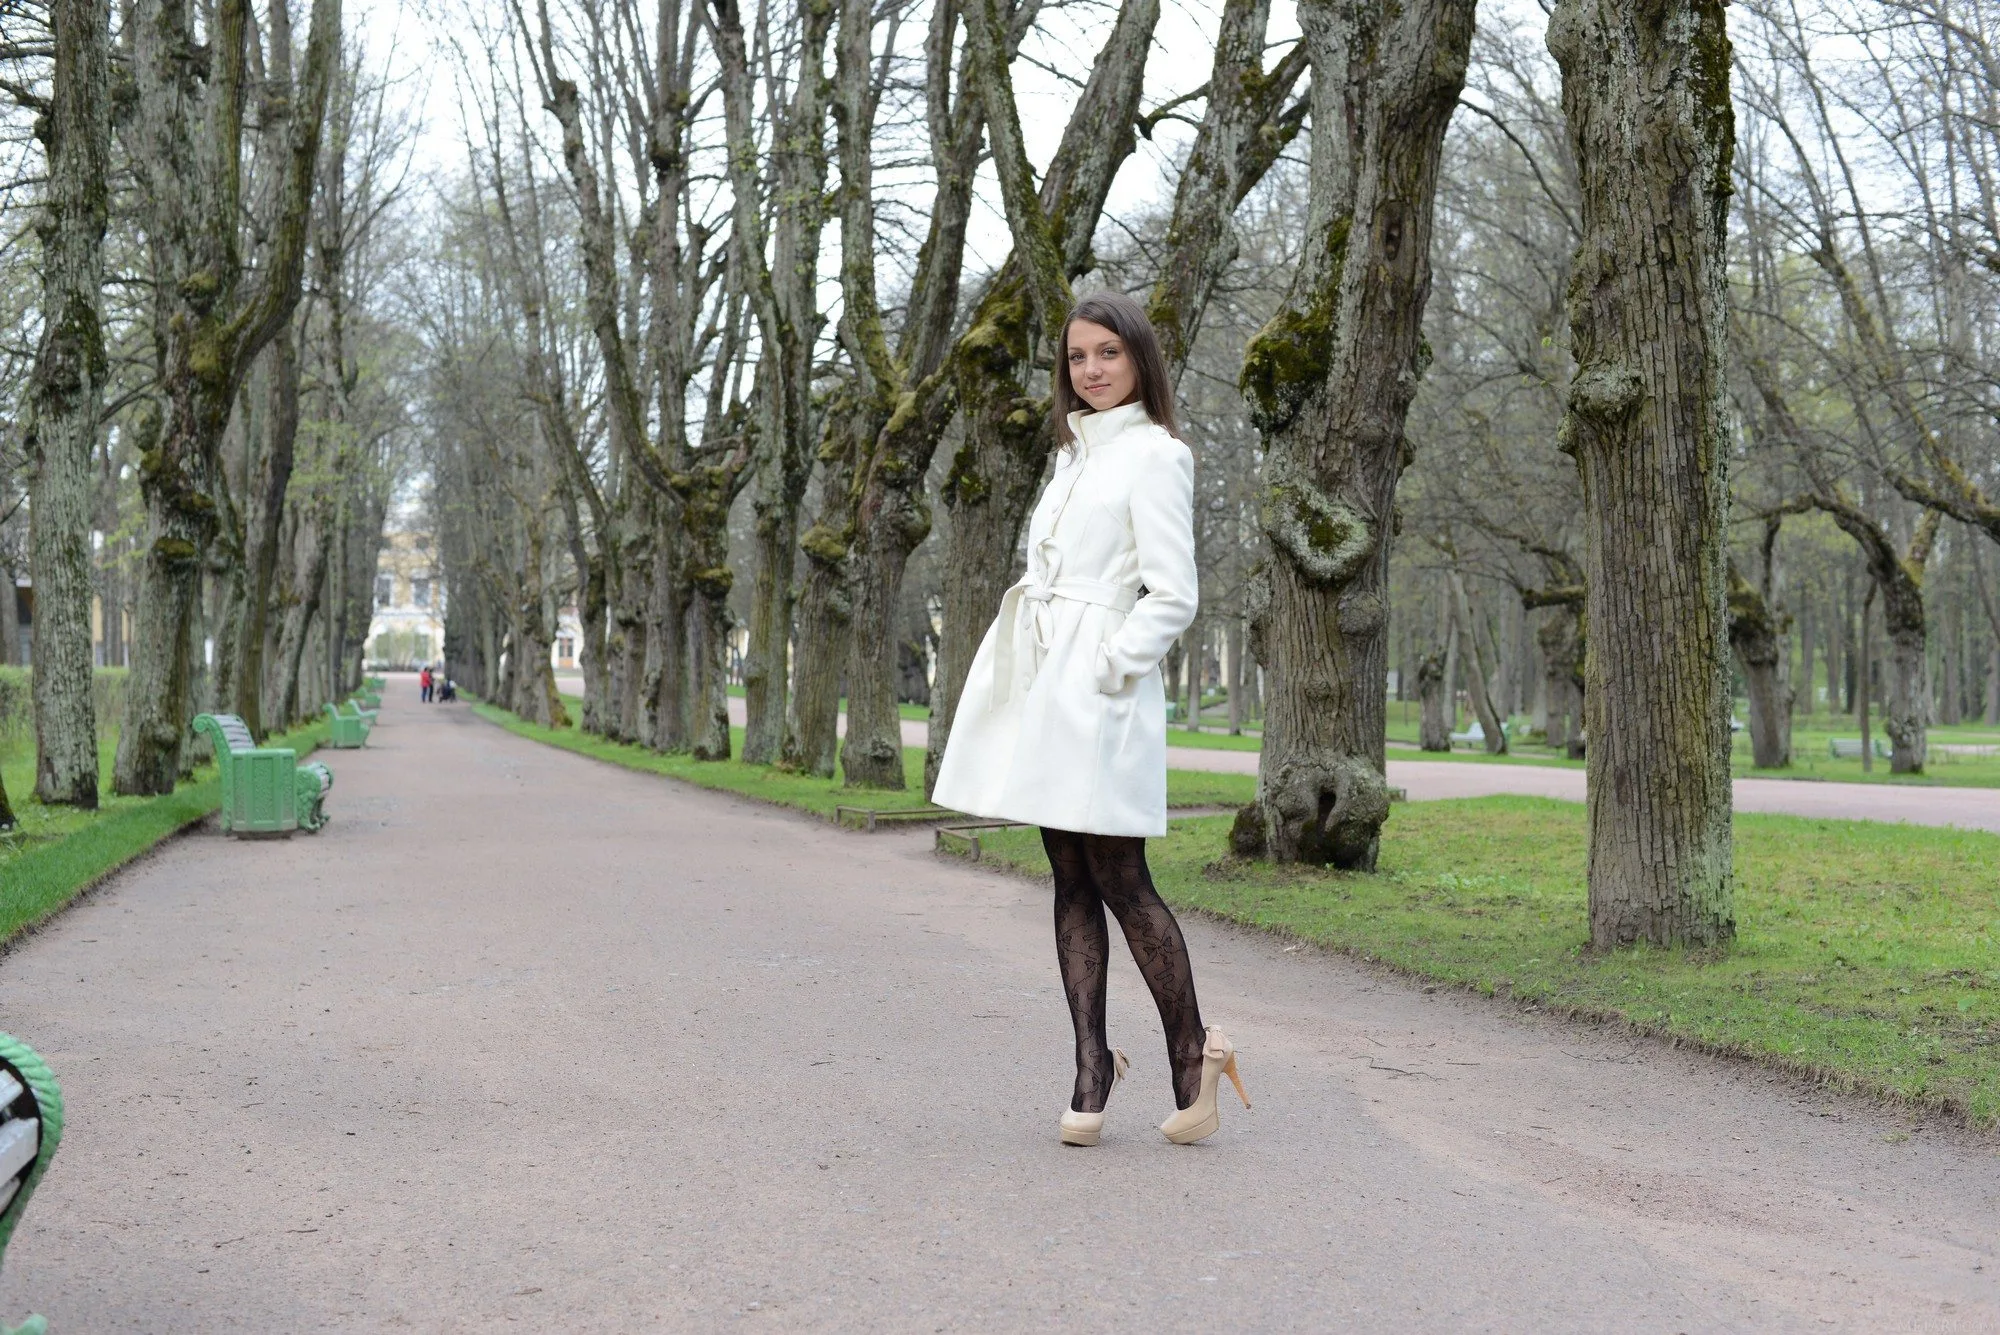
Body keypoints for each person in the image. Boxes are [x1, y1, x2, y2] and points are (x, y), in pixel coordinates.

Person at [933, 291, 1249, 1148]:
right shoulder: (1072, 454)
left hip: (1102, 689)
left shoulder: (1158, 455)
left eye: (1108, 352)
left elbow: (1174, 593)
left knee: (1120, 874)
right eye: (1077, 356)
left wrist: (1109, 663)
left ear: (1139, 357)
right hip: (1050, 681)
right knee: (1067, 871)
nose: (1092, 369)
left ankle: (1192, 1054)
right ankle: (1091, 1063)